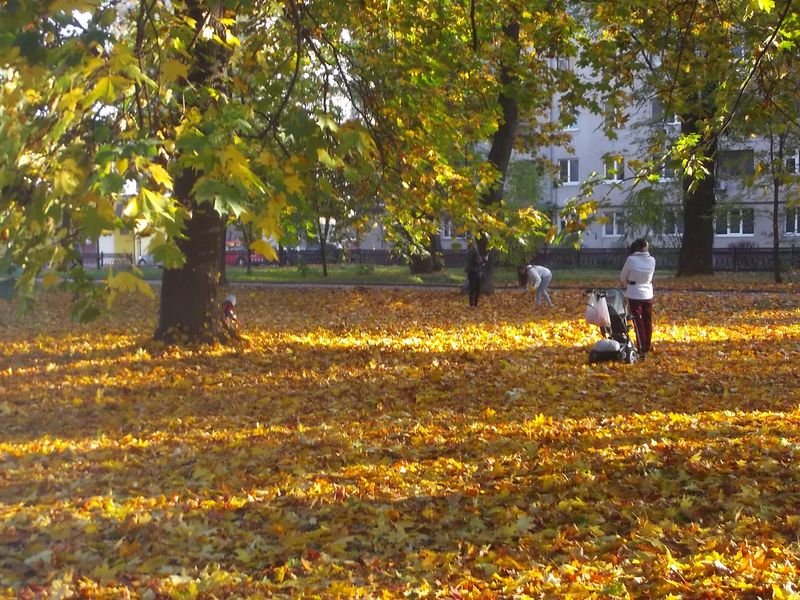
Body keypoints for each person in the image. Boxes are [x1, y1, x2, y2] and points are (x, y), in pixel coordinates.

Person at [620, 238, 656, 358]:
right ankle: (646, 346)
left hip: (634, 294)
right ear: (643, 247)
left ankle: (641, 349)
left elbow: (623, 277)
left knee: (638, 322)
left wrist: (626, 284)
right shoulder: (652, 260)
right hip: (648, 293)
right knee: (647, 321)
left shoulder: (631, 260)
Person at [464, 240, 487, 308]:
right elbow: (477, 262)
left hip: (470, 271)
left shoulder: (468, 252)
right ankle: (475, 304)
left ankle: (471, 304)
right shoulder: (475, 252)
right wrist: (484, 260)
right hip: (475, 272)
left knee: (472, 288)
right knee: (477, 288)